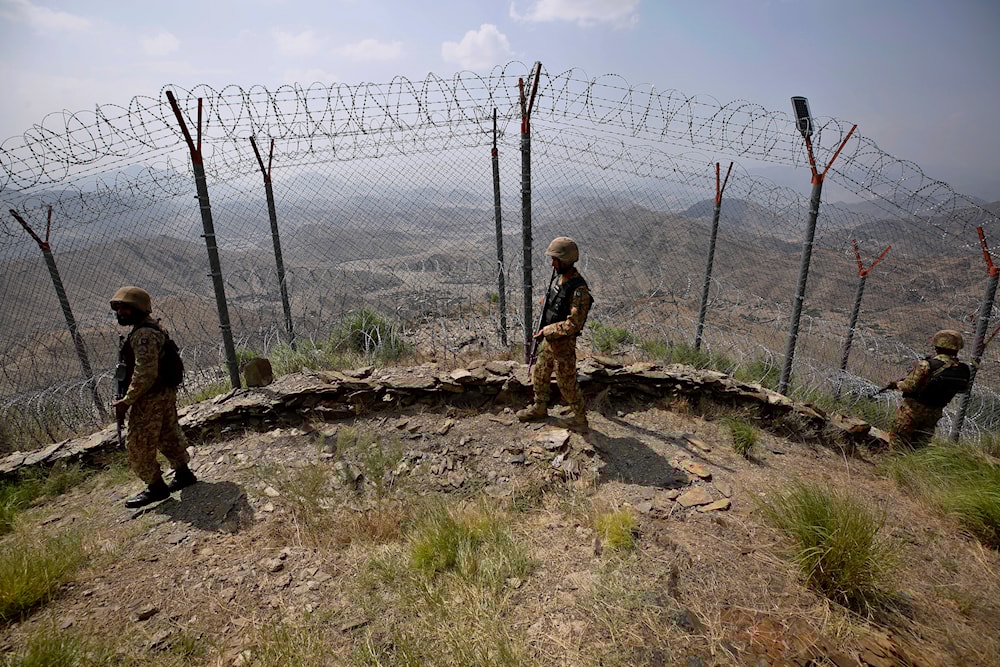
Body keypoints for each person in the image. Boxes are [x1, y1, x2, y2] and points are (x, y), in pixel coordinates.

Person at [111, 286, 196, 508]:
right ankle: (183, 474)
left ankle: (156, 488)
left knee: (139, 445)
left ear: (139, 308)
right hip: (163, 393)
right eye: (118, 308)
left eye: (125, 309)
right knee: (168, 434)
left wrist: (126, 401)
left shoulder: (144, 335)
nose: (120, 313)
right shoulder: (150, 327)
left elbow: (145, 372)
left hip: (150, 397)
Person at [516, 237, 594, 431]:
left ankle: (580, 419)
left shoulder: (579, 290)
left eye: (554, 259)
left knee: (566, 383)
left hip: (563, 344)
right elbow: (558, 305)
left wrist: (548, 330)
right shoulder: (560, 278)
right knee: (540, 374)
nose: (552, 263)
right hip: (549, 341)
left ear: (565, 261)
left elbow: (574, 324)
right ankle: (540, 407)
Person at [884, 329, 970, 450]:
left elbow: (909, 387)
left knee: (899, 439)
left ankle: (894, 465)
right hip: (935, 411)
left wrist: (896, 384)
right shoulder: (963, 369)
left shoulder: (927, 364)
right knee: (920, 444)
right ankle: (914, 466)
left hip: (913, 409)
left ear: (937, 346)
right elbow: (963, 389)